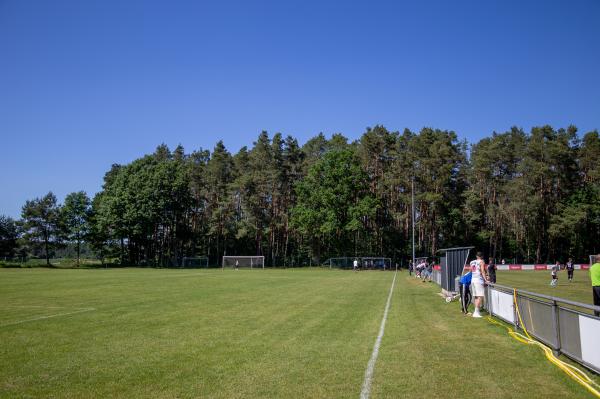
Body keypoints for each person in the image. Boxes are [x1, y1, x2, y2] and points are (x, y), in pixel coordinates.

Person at [470, 252, 489, 318]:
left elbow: (471, 270)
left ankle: (476, 311)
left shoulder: (472, 262)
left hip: (473, 279)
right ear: (482, 256)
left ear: (476, 256)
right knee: (480, 296)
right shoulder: (481, 261)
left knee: (476, 297)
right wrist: (485, 280)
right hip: (478, 280)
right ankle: (476, 312)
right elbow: (483, 271)